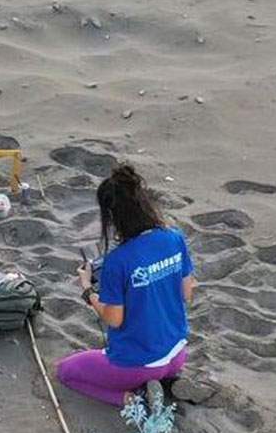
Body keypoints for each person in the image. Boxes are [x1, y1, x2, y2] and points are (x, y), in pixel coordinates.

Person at [56, 165, 197, 407]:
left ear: (112, 217)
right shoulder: (175, 238)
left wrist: (88, 290)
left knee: (65, 371)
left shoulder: (117, 261)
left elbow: (114, 320)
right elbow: (186, 292)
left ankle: (133, 400)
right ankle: (166, 384)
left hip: (136, 365)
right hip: (176, 354)